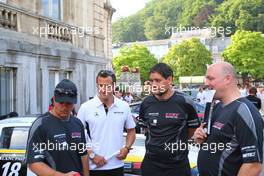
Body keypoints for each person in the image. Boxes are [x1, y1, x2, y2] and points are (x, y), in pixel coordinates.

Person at [194, 62, 263, 176]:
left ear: (228, 79)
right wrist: (201, 139)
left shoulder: (244, 110)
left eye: (210, 78)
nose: (206, 83)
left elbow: (253, 165)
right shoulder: (217, 107)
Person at [139, 63, 200, 176]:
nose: (153, 84)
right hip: (151, 165)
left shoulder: (185, 103)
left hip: (177, 166)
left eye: (158, 80)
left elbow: (192, 131)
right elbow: (146, 130)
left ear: (169, 79)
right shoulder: (146, 103)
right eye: (151, 81)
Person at [77, 70, 136, 176]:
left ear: (114, 86)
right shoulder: (85, 107)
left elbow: (131, 130)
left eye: (108, 86)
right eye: (100, 85)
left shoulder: (124, 106)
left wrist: (127, 148)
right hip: (93, 167)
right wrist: (91, 155)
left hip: (117, 166)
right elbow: (76, 136)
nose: (103, 90)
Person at [26, 79, 89, 176]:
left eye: (68, 103)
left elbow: (83, 155)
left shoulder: (77, 123)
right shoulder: (41, 125)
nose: (64, 107)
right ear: (54, 99)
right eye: (61, 102)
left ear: (74, 103)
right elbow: (33, 163)